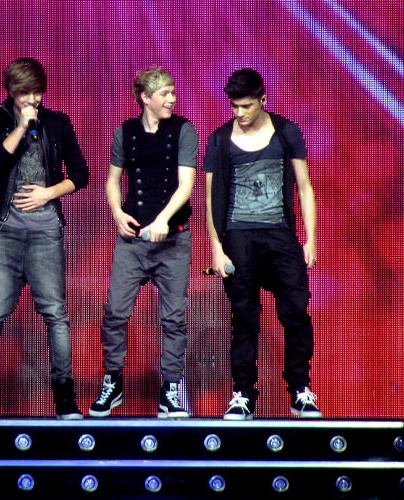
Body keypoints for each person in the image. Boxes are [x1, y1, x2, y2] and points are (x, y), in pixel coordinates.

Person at [0, 57, 89, 420]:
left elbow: (81, 173)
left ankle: (65, 398)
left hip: (46, 231)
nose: (32, 100)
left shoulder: (58, 122)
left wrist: (49, 193)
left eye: (36, 93)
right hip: (6, 230)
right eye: (24, 94)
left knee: (56, 315)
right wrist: (20, 127)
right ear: (11, 91)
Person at [202, 68, 322, 420]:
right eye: (234, 106)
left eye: (246, 106)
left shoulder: (286, 132)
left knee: (295, 312)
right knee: (244, 318)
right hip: (238, 238)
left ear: (263, 100)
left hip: (279, 235)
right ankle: (242, 394)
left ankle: (300, 389)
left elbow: (305, 188)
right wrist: (216, 248)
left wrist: (311, 239)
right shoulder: (220, 139)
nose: (239, 113)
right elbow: (211, 197)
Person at [89, 67, 198, 419]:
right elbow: (112, 180)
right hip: (133, 241)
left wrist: (163, 220)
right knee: (115, 312)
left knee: (173, 318)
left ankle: (171, 388)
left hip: (173, 241)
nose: (172, 99)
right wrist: (117, 213)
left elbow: (186, 185)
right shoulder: (125, 132)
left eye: (173, 92)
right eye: (165, 93)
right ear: (145, 98)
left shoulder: (184, 130)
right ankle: (113, 380)